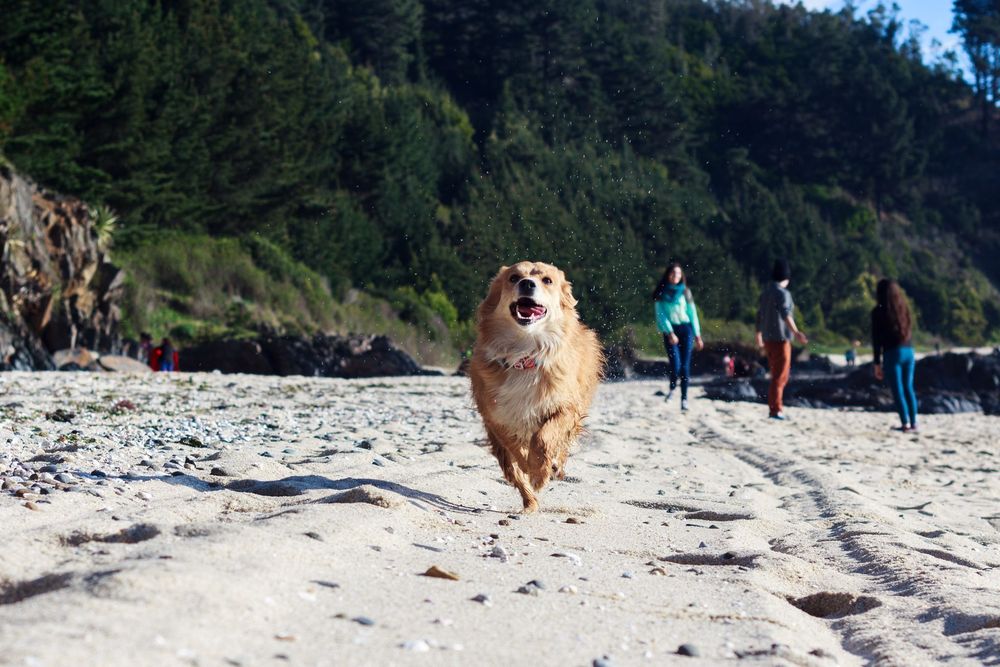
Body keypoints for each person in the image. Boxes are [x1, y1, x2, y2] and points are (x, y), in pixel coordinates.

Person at [755, 259, 808, 420]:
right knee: (780, 375)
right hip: (781, 338)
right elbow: (786, 314)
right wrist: (796, 332)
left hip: (768, 339)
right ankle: (776, 409)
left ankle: (774, 408)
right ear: (787, 277)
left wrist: (758, 335)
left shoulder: (765, 293)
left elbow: (759, 316)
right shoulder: (783, 294)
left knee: (775, 374)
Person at [653, 263, 704, 411]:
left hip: (686, 329)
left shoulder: (685, 292)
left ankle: (684, 399)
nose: (676, 276)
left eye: (679, 274)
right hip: (670, 331)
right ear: (668, 274)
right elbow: (660, 316)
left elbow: (692, 313)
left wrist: (698, 335)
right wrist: (670, 333)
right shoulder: (661, 293)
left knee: (685, 366)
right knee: (675, 366)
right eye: (674, 273)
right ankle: (672, 387)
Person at [872, 279, 917, 432]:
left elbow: (876, 340)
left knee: (898, 391)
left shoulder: (878, 312)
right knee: (908, 388)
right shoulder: (903, 308)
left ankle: (905, 424)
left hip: (893, 353)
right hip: (909, 351)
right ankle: (914, 423)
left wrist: (877, 363)